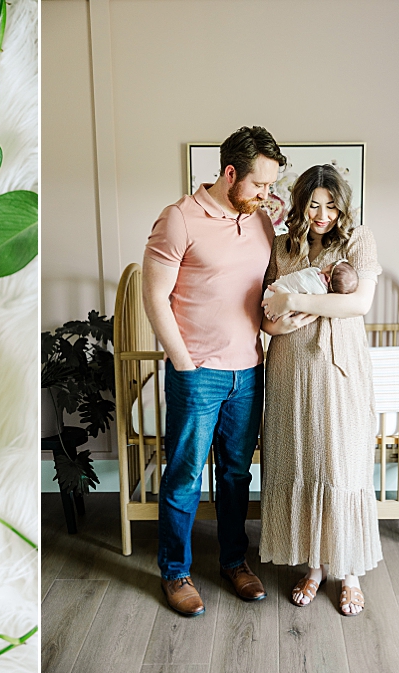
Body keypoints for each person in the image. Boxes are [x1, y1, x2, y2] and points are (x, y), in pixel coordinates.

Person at [142, 126, 286, 617]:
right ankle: (175, 572)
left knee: (235, 474)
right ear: (230, 174)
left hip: (249, 372)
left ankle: (232, 561)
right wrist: (183, 362)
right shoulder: (179, 219)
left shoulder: (262, 221)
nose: (268, 195)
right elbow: (154, 296)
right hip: (197, 373)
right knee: (184, 475)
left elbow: (266, 285)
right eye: (260, 185)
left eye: (271, 186)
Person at [259, 163, 382, 616]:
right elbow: (265, 318)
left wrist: (295, 299)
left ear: (342, 206)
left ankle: (348, 571)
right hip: (291, 368)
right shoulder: (282, 247)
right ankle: (313, 566)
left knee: (341, 466)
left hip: (339, 370)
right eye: (314, 204)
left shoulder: (357, 241)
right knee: (303, 462)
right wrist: (283, 315)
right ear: (300, 205)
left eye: (331, 205)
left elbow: (359, 303)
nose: (323, 214)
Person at [262, 259, 358, 301]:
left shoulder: (316, 280)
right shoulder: (324, 295)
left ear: (328, 278)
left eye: (330, 265)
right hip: (275, 294)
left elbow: (301, 281)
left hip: (272, 294)